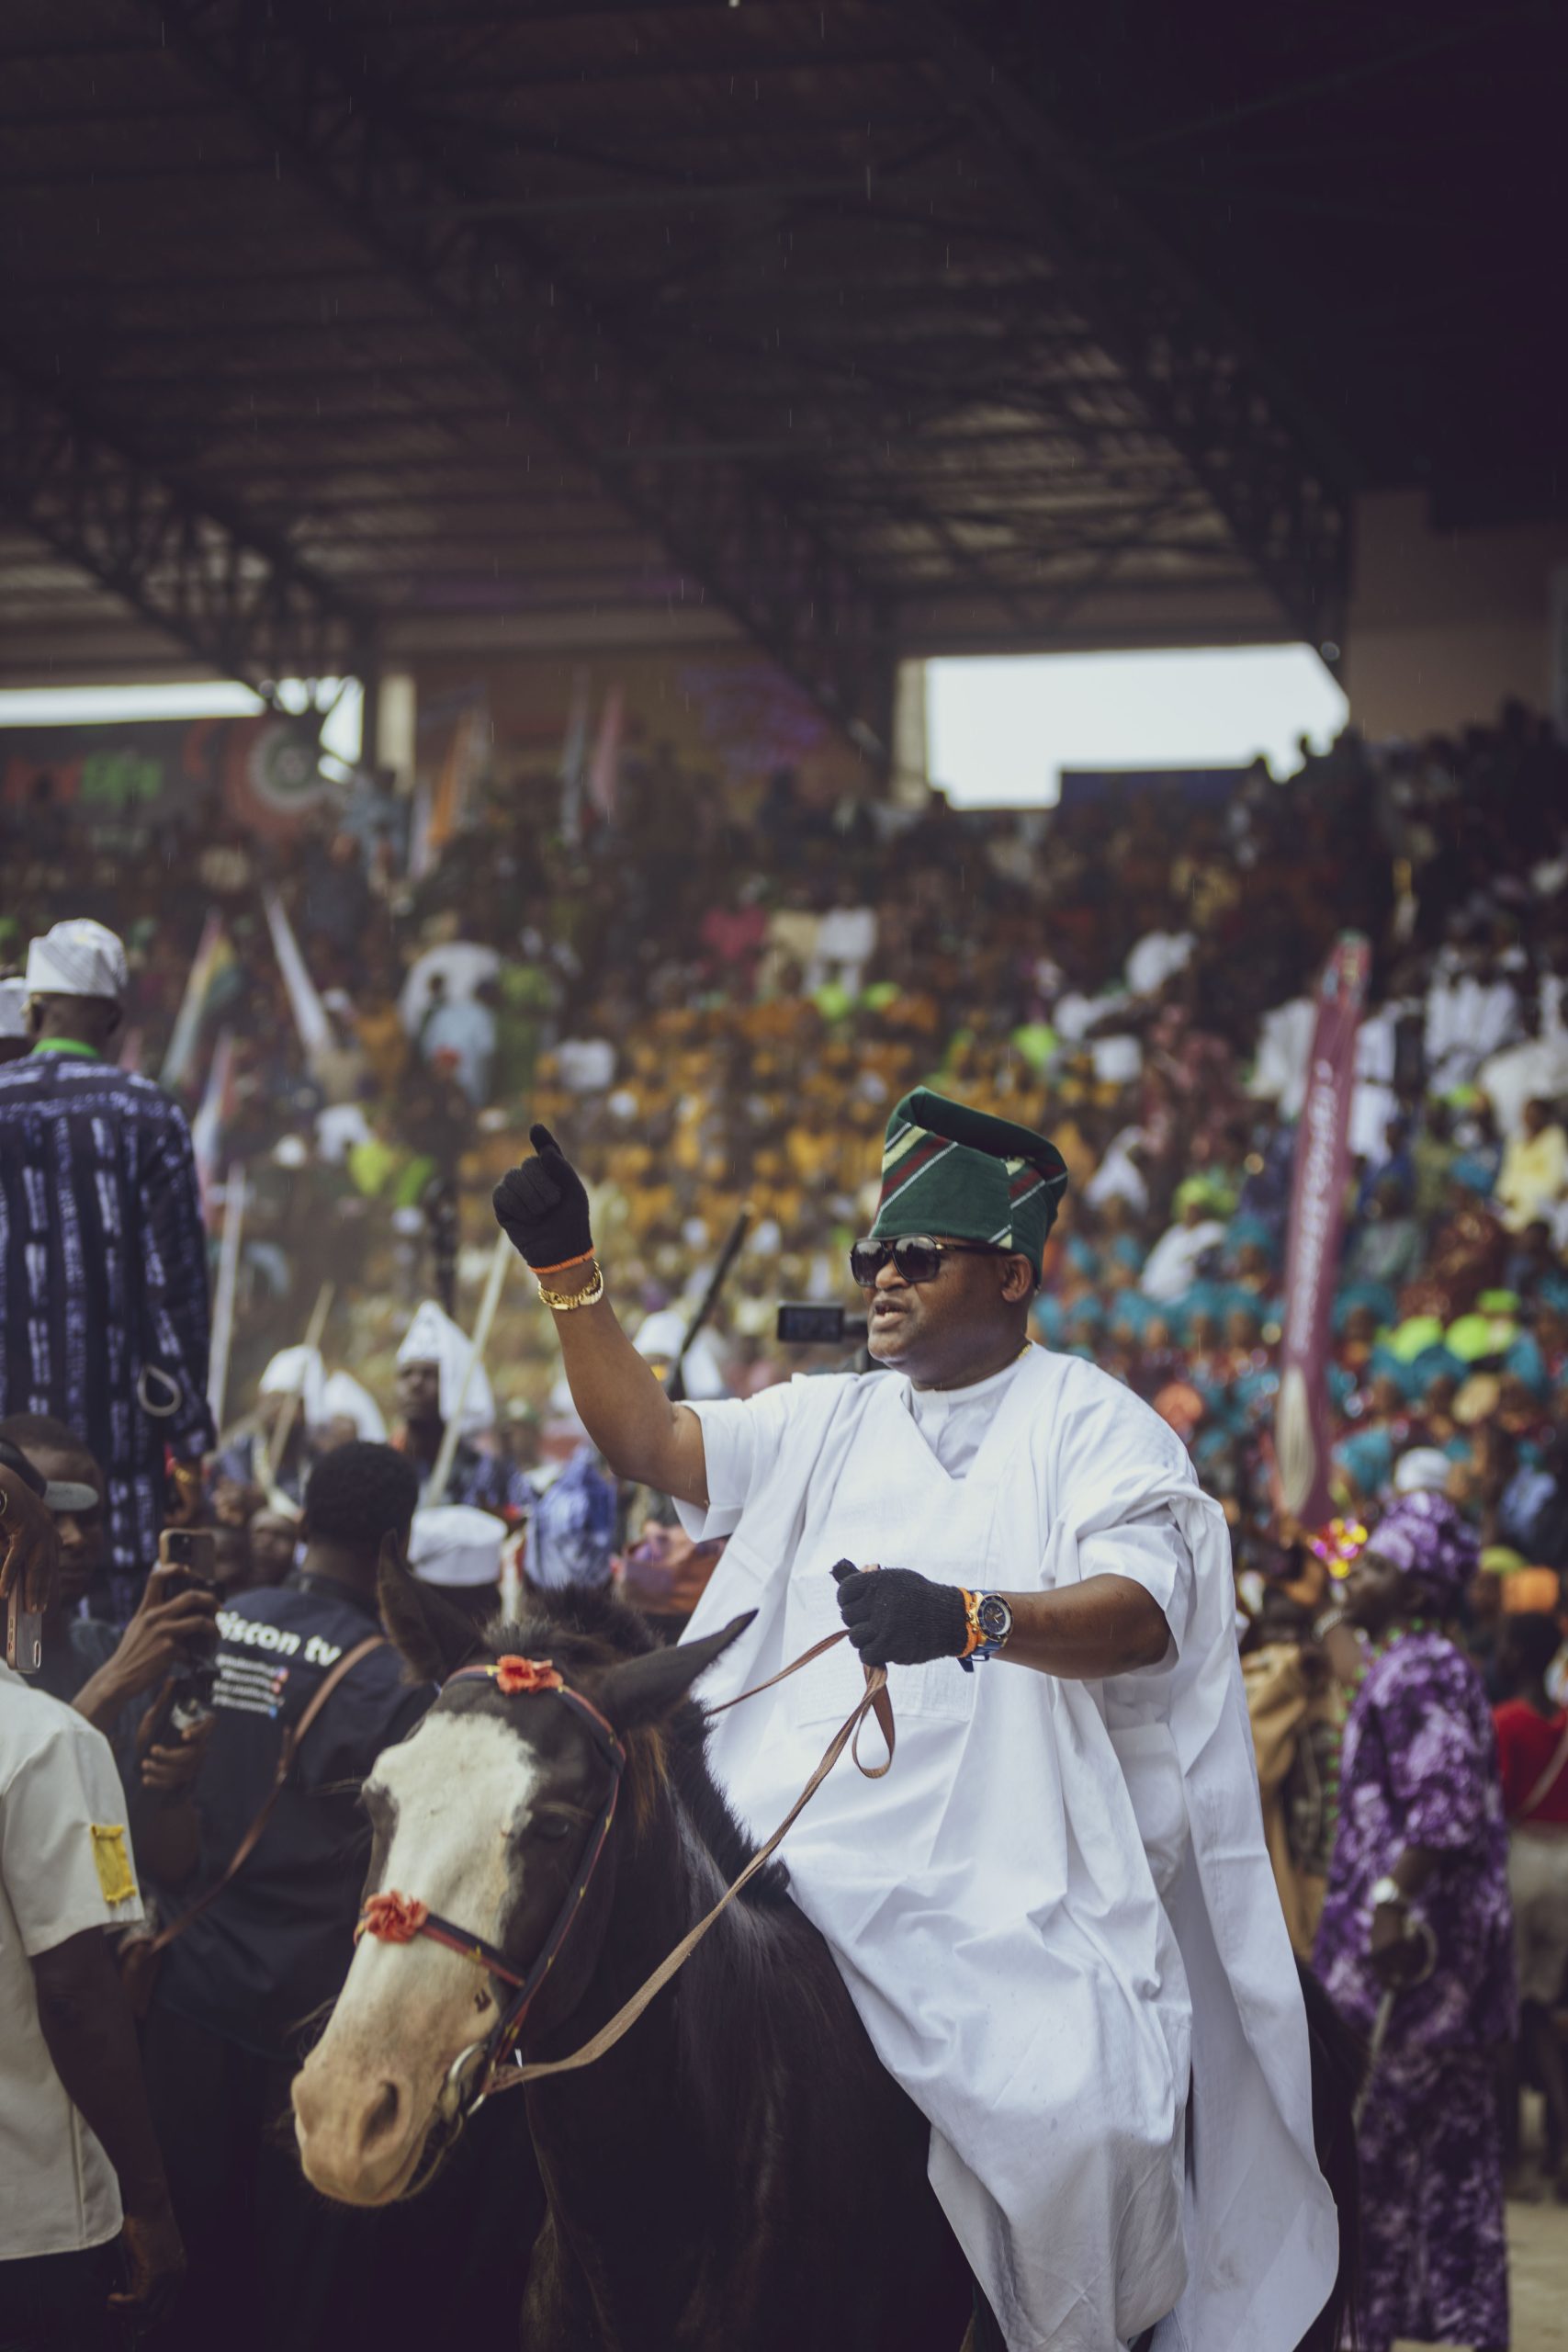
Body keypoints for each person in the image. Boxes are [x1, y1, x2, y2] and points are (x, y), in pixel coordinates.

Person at [492, 1100, 1339, 2352]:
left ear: (1010, 1273)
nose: (882, 1279)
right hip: (782, 1844)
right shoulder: (821, 1415)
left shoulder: (1095, 1424)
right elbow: (647, 1438)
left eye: (915, 1258)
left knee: (1086, 2128)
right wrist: (568, 1274)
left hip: (1016, 1875)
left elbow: (1142, 1615)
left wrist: (968, 1620)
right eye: (870, 1258)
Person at [136, 1442, 429, 2352]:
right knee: (285, 2291)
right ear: (396, 1546)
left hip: (179, 1997)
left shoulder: (217, 1622)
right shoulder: (396, 1686)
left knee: (181, 2265)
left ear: (300, 1522)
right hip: (298, 2030)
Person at [1314, 1488, 1514, 2352]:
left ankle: (1371, 2331)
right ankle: (1467, 2329)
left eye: (1383, 1567)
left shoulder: (1421, 1668)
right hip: (1454, 1969)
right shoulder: (1426, 1662)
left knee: (1377, 2165)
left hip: (1415, 1968)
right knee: (1456, 2161)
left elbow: (1444, 1806)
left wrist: (1391, 1905)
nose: (1360, 1575)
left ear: (1419, 1591)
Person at [0, 1442, 186, 2347]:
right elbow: (76, 1990)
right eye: (42, 1542)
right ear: (10, 1558)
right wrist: (149, 2205)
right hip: (31, 2226)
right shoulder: (44, 1742)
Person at [0, 921, 212, 1611]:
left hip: (6, 1436)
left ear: (34, 1010)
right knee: (104, 1624)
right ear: (114, 1018)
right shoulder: (149, 1112)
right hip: (116, 1451)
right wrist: (189, 1439)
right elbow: (177, 1288)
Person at [0, 1415, 217, 1784]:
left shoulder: (112, 1648)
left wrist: (164, 1780)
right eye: (50, 1516)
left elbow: (160, 1841)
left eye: (88, 1519)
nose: (74, 1538)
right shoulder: (125, 1665)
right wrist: (112, 1687)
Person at [1493, 1610, 1568, 2194]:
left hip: (1521, 1862)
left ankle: (1512, 2155)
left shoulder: (1505, 1722)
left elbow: (1497, 1802)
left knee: (1508, 2013)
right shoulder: (1563, 1724)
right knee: (1542, 2003)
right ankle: (1560, 2142)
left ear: (1515, 1653)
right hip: (1564, 1864)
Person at [392, 1297, 530, 1515]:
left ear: (453, 1386)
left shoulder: (484, 1473)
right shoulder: (386, 1469)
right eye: (406, 1374)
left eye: (429, 1375)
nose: (415, 1384)